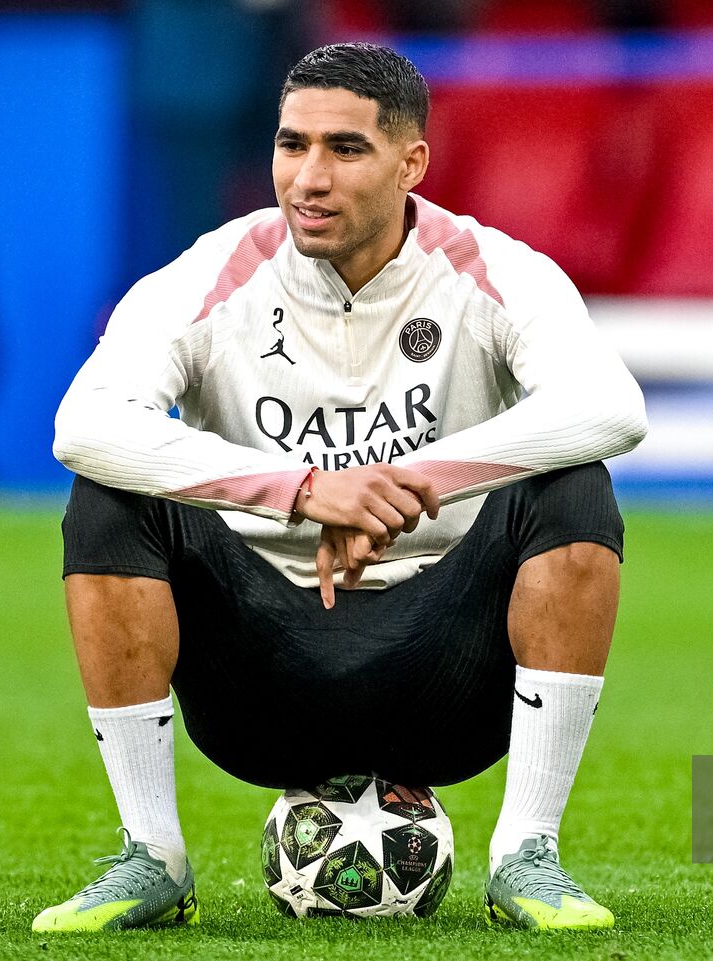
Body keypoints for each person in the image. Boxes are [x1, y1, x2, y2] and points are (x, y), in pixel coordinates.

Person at [35, 42, 646, 934]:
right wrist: (300, 488)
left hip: (450, 677)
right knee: (108, 491)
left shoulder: (492, 268)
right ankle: (151, 857)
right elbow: (80, 424)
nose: (308, 178)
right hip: (258, 675)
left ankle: (528, 855)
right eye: (292, 145)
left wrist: (414, 480)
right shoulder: (215, 271)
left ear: (412, 163)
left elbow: (613, 407)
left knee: (574, 489)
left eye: (344, 149)